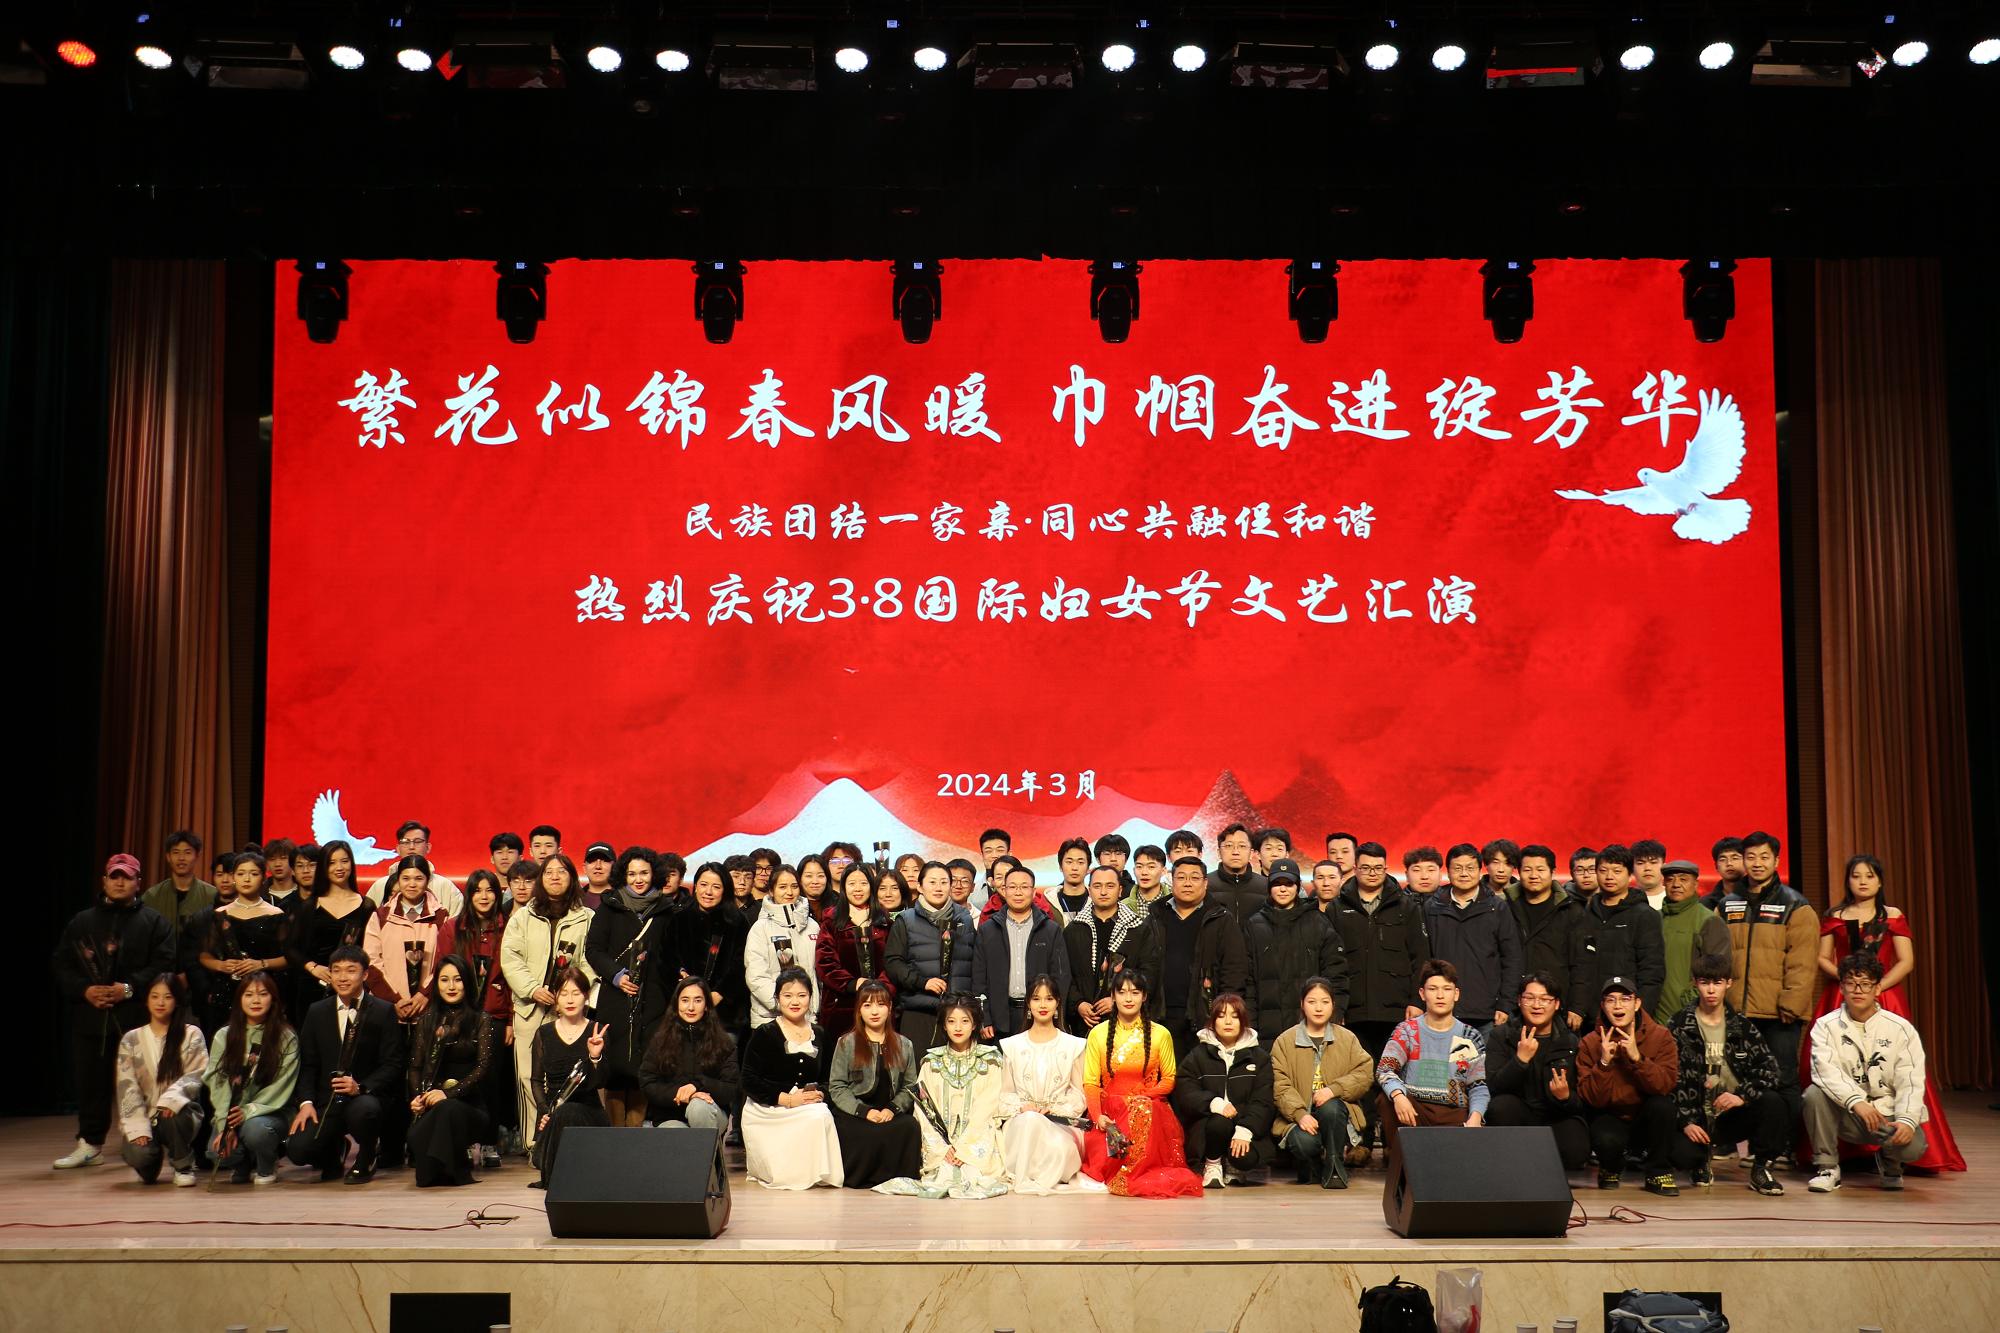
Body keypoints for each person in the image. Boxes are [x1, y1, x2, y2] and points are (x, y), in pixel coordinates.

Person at [1803, 854, 1963, 1171]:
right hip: (1841, 993)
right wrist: (1847, 980)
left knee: (1898, 1067)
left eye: (1869, 876)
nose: (1862, 881)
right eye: (1856, 875)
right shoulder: (1835, 915)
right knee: (1827, 1068)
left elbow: (1906, 960)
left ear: (1880, 881)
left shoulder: (1893, 915)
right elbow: (1822, 957)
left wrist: (1877, 987)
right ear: (1847, 880)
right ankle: (1831, 1154)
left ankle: (1896, 1146)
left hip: (1886, 995)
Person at [52, 852, 176, 1170]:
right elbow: (62, 965)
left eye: (127, 877)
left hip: (136, 1019)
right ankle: (90, 1144)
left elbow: (164, 964)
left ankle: (147, 1145)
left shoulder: (154, 922)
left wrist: (129, 988)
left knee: (143, 1083)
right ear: (104, 881)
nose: (120, 882)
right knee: (90, 1083)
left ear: (138, 882)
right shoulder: (82, 922)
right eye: (114, 876)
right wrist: (85, 990)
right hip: (90, 1018)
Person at [1330, 842, 1430, 1161]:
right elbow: (1331, 961)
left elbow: (1419, 957)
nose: (1372, 873)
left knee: (1395, 1075)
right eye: (1366, 867)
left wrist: (1416, 1000)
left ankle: (1392, 1144)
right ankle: (1359, 1141)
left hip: (1395, 1009)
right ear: (1355, 868)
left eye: (1378, 868)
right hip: (1354, 1010)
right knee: (1359, 1078)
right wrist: (1337, 1007)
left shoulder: (1405, 906)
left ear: (1386, 869)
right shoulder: (1338, 907)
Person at [1715, 830, 1817, 1140]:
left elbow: (1803, 961)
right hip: (1736, 1011)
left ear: (1777, 861)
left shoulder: (1796, 905)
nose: (1757, 863)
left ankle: (1787, 1146)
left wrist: (1792, 1004)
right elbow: (1717, 957)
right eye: (1751, 857)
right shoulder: (1727, 904)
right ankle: (1756, 1146)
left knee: (1782, 1080)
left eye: (1764, 857)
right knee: (1738, 1079)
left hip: (1778, 1013)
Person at [1805, 951, 1931, 1192]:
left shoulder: (1901, 1029)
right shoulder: (1825, 1026)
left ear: (1877, 988)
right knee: (1814, 1094)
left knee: (1914, 1147)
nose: (1858, 990)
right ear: (1841, 987)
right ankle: (1827, 1167)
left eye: (1865, 984)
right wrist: (1856, 1102)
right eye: (1851, 983)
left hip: (1886, 1114)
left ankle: (1890, 1163)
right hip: (1848, 1113)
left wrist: (1906, 1120)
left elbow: (1911, 1080)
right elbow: (1825, 1071)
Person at [499, 853, 595, 1158]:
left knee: (569, 1076)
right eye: (549, 872)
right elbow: (510, 957)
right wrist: (532, 989)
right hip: (530, 1008)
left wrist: (570, 994)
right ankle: (536, 1145)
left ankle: (568, 1143)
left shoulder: (586, 918)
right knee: (528, 1077)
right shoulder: (522, 917)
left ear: (572, 878)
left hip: (570, 1010)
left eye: (562, 872)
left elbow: (590, 961)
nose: (555, 877)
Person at [284, 945, 406, 1184]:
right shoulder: (317, 1011)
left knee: (365, 1111)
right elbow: (308, 1064)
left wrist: (361, 1087)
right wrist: (306, 1103)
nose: (342, 977)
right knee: (298, 1150)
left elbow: (393, 1063)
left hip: (365, 1097)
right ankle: (334, 1150)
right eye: (336, 970)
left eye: (351, 970)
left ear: (365, 974)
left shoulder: (383, 1011)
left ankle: (367, 1156)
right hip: (327, 1100)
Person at [1667, 956, 1787, 1195]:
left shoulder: (1742, 1026)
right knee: (1683, 1156)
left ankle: (1761, 1167)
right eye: (1705, 982)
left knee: (1773, 1102)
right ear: (1695, 983)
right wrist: (1685, 1121)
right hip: (1697, 1116)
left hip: (1732, 1114)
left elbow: (1771, 1070)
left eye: (1718, 982)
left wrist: (1742, 1096)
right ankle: (1700, 1161)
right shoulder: (1679, 1025)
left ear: (1729, 983)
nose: (1711, 990)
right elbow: (1669, 1078)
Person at [1077, 971, 1203, 1198]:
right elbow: (1091, 1083)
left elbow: (1169, 1079)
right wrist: (1098, 1117)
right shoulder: (1098, 1034)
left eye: (1135, 993)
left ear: (1144, 996)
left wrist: (1144, 1096)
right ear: (1113, 997)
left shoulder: (1160, 1034)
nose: (1128, 999)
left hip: (1147, 1106)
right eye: (1122, 992)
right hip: (1110, 1113)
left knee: (1143, 1109)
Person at [875, 993, 1009, 1199]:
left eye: (965, 1021)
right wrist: (943, 1148)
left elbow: (988, 1107)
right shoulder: (932, 1062)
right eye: (951, 1021)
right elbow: (924, 1109)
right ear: (944, 1025)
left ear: (974, 1024)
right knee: (943, 1173)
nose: (958, 1027)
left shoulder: (990, 1061)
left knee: (973, 1173)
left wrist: (964, 1148)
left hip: (977, 1138)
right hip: (941, 1144)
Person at [585, 846, 674, 1125]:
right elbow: (593, 950)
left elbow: (673, 954)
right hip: (616, 1000)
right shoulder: (609, 906)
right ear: (623, 876)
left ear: (654, 874)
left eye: (644, 873)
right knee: (615, 1070)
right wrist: (617, 976)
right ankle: (615, 1136)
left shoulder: (666, 910)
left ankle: (633, 1136)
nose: (638, 879)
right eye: (632, 873)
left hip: (654, 1002)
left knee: (642, 1071)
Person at [1376, 961, 1487, 1179]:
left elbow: (1478, 1086)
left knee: (1451, 1174)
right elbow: (1385, 1069)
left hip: (1452, 1113)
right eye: (1433, 989)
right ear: (1422, 993)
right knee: (1386, 1099)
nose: (1440, 995)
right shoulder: (1407, 1030)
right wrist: (1399, 1096)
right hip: (1415, 1111)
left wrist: (1475, 1118)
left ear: (1456, 994)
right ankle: (1402, 1170)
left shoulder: (1469, 1036)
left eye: (1447, 989)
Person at [738, 967, 842, 1190]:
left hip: (807, 1105)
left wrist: (819, 1094)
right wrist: (786, 1099)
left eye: (801, 995)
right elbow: (748, 1080)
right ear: (777, 998)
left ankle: (816, 1173)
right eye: (788, 995)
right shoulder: (764, 1033)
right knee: (816, 1116)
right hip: (767, 1110)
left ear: (810, 998)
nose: (795, 1001)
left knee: (820, 1113)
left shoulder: (820, 1034)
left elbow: (830, 1078)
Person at [1269, 976, 1375, 1188]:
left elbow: (1364, 1072)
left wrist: (1334, 1090)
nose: (1318, 1008)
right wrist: (1300, 1114)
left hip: (1337, 1115)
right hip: (1299, 1117)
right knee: (1303, 1143)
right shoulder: (1285, 1041)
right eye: (1312, 1002)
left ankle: (1335, 1164)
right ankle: (1313, 1165)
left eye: (1325, 1002)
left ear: (1333, 1005)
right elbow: (1280, 1085)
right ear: (1302, 1004)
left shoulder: (1347, 1038)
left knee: (1330, 1107)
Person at [1578, 976, 1680, 1194]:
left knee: (1664, 1107)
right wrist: (1604, 1063)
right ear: (1603, 1006)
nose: (1618, 1006)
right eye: (1611, 1000)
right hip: (1610, 1115)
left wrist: (1637, 1058)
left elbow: (1665, 1085)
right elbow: (1592, 1099)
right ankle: (1611, 1166)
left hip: (1646, 1116)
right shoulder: (1590, 1042)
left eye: (1625, 999)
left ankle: (1657, 1172)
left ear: (1637, 1003)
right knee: (1605, 1138)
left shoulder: (1660, 1036)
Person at [998, 976, 1100, 1194]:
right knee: (1030, 1121)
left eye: (1049, 998)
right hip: (1021, 1123)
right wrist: (1024, 1108)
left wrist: (1053, 1109)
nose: (1042, 1005)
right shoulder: (1012, 1046)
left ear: (1057, 1003)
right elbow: (1004, 1095)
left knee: (1058, 1147)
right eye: (1036, 999)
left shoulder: (1073, 1045)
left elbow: (1079, 1094)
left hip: (1059, 1123)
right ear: (1028, 1004)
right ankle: (1025, 1177)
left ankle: (1036, 1176)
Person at [404, 955, 497, 1187]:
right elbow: (415, 1066)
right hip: (434, 1105)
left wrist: (448, 1094)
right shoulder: (427, 1020)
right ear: (436, 984)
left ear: (467, 982)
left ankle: (455, 1170)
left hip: (470, 1106)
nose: (451, 986)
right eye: (444, 980)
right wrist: (418, 1097)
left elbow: (483, 1068)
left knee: (448, 1109)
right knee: (423, 1172)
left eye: (458, 979)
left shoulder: (481, 1019)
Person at [1484, 972, 1590, 1170]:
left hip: (1556, 1114)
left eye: (1545, 999)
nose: (1536, 1005)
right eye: (1529, 998)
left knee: (1576, 1152)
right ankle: (1517, 1163)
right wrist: (1520, 1061)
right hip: (1519, 1112)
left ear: (1556, 1004)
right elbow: (1493, 1087)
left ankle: (1535, 1161)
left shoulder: (1570, 1041)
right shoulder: (1502, 1035)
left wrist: (1566, 1097)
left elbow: (1581, 1101)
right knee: (1501, 1107)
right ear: (1519, 1001)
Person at [824, 979, 922, 1187]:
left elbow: (910, 1087)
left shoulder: (905, 1044)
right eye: (867, 1005)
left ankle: (898, 1179)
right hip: (855, 1111)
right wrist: (864, 1111)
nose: (874, 1011)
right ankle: (862, 1178)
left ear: (890, 1008)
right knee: (863, 1132)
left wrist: (892, 1109)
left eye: (880, 1004)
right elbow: (837, 1087)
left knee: (910, 1127)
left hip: (888, 1111)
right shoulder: (846, 1043)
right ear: (859, 1010)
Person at [1149, 856, 1250, 1059]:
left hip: (1205, 1016)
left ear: (1205, 883)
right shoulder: (1155, 915)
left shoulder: (1221, 918)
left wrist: (1222, 1012)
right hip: (1160, 1016)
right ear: (1171, 881)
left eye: (1194, 878)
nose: (1187, 883)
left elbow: (1235, 969)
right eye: (1181, 877)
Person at [203, 972, 299, 1185]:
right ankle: (242, 1165)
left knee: (255, 1130)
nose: (256, 1000)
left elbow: (282, 1085)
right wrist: (225, 1123)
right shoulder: (224, 1036)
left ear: (273, 999)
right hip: (233, 1111)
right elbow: (217, 1082)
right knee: (216, 1151)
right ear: (239, 1000)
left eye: (263, 994)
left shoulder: (286, 1037)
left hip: (271, 1111)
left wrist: (247, 1111)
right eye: (249, 995)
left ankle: (266, 1165)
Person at [1172, 992, 1275, 1188]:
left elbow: (1263, 1100)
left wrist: (1246, 1130)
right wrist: (1214, 1103)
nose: (1228, 1022)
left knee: (1244, 1157)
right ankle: (1212, 1164)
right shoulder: (1198, 1055)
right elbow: (1185, 1090)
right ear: (1213, 1022)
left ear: (1243, 1021)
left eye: (1234, 1016)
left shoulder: (1260, 1058)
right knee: (1219, 1122)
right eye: (1221, 1016)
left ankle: (1233, 1164)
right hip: (1209, 1126)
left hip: (1244, 1126)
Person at [113, 974, 208, 1186]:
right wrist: (138, 1126)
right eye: (155, 996)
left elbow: (196, 1074)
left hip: (179, 1112)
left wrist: (172, 1099)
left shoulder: (191, 1034)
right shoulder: (131, 1039)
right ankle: (151, 1159)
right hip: (146, 1114)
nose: (161, 1002)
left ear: (177, 1001)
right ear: (147, 1000)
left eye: (168, 997)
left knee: (173, 1114)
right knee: (140, 1156)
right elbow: (127, 1086)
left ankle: (183, 1165)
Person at [1243, 858, 1349, 1039]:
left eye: (1289, 883)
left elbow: (1336, 972)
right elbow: (1247, 981)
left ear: (1298, 886)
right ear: (1269, 887)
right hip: (1266, 1029)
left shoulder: (1318, 922)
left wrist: (1335, 1012)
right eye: (1277, 883)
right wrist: (1249, 1023)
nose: (1283, 889)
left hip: (1312, 1025)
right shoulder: (1254, 925)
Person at [1423, 844, 1521, 1034]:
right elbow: (1423, 957)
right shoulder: (1432, 908)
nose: (1464, 874)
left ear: (1479, 870)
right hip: (1441, 1009)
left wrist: (1505, 1004)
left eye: (1470, 868)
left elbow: (1512, 959)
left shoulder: (1497, 908)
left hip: (1486, 1012)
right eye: (1457, 868)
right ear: (1448, 871)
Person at [454, 869, 515, 1162]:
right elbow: (444, 969)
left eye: (489, 890)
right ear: (469, 894)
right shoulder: (453, 928)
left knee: (491, 1081)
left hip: (495, 1015)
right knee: (462, 1078)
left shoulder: (509, 928)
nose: (484, 896)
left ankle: (490, 1142)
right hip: (460, 1016)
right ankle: (466, 1141)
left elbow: (514, 976)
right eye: (477, 890)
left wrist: (511, 1020)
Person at [972, 862, 1071, 1041]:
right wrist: (984, 1017)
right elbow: (979, 979)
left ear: (1033, 892)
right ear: (1004, 890)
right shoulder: (988, 930)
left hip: (1040, 1016)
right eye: (1012, 887)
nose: (1018, 892)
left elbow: (1061, 977)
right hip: (999, 1019)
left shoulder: (1050, 929)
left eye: (1024, 887)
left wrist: (1055, 1015)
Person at [196, 851, 293, 1035]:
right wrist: (221, 965)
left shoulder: (276, 914)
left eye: (253, 873)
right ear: (234, 877)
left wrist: (261, 964)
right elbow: (204, 956)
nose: (246, 879)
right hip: (226, 990)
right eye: (241, 874)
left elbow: (288, 958)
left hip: (263, 990)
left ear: (263, 878)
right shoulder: (220, 914)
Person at [528, 970, 608, 1190]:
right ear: (555, 997)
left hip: (589, 1112)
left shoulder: (596, 1031)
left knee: (569, 1111)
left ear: (586, 996)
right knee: (563, 1113)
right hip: (554, 1114)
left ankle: (565, 1177)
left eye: (576, 993)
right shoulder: (543, 1033)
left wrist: (594, 1056)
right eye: (563, 993)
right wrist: (545, 1112)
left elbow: (600, 1082)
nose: (570, 1000)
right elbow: (536, 1080)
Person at [885, 861, 975, 1053]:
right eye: (932, 882)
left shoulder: (964, 918)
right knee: (919, 1068)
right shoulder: (906, 920)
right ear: (920, 887)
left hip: (957, 1013)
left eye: (944, 882)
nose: (938, 888)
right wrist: (922, 982)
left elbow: (972, 961)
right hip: (919, 1010)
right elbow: (893, 963)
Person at [363, 853, 456, 1038]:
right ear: (398, 880)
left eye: (418, 878)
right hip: (388, 1009)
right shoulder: (381, 916)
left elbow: (444, 961)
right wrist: (394, 1000)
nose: (412, 884)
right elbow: (371, 961)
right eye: (406, 878)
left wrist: (424, 994)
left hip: (428, 1009)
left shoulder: (441, 917)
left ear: (427, 881)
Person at [1064, 863, 1162, 1036]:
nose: (1103, 892)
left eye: (1110, 886)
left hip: (1129, 1022)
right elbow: (1064, 973)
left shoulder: (1138, 929)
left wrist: (1118, 999)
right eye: (1097, 886)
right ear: (1089, 890)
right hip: (1083, 1023)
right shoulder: (1073, 930)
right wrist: (1078, 1004)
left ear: (1120, 890)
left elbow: (1149, 973)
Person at [1575, 844, 1667, 1018]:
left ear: (1630, 874)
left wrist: (1641, 1015)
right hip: (1589, 1013)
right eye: (1603, 871)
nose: (1609, 877)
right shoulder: (1586, 913)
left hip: (1627, 1012)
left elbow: (1652, 971)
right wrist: (1577, 1007)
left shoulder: (1645, 915)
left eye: (1617, 871)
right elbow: (1579, 965)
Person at [639, 976, 740, 1134]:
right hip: (670, 1115)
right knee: (676, 1133)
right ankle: (705, 1151)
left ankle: (708, 1149)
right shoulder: (660, 1041)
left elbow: (731, 1088)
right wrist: (681, 1094)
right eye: (685, 1000)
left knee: (698, 1107)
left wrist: (697, 1086)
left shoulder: (723, 1043)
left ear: (706, 1005)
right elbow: (648, 1084)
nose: (691, 1007)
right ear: (677, 1004)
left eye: (698, 1000)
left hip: (710, 1112)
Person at [1508, 845, 1587, 1031]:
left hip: (1558, 1005)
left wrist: (1577, 1007)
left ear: (1553, 872)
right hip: (1513, 1005)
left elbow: (1582, 963)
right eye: (1527, 869)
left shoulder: (1571, 910)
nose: (1533, 875)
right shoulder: (1505, 907)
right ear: (1518, 872)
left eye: (1540, 869)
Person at [673, 862, 751, 1038]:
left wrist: (718, 994)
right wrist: (680, 972)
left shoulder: (737, 921)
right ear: (695, 886)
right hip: (684, 1010)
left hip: (724, 1015)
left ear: (725, 890)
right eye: (703, 884)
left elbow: (741, 964)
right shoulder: (679, 918)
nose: (708, 892)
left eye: (716, 887)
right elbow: (667, 956)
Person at [815, 862, 893, 1038]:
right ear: (843, 888)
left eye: (863, 883)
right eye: (852, 883)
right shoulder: (832, 921)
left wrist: (880, 987)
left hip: (879, 1002)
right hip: (842, 1004)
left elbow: (893, 961)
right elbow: (825, 962)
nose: (858, 889)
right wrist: (852, 983)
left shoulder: (884, 922)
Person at [293, 841, 373, 1002]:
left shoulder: (366, 906)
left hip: (352, 986)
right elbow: (291, 947)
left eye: (344, 861)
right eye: (332, 863)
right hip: (313, 986)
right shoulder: (310, 905)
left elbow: (371, 950)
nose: (339, 867)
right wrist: (313, 967)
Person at [745, 864, 822, 1029]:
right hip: (770, 1020)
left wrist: (810, 1006)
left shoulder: (813, 926)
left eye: (794, 886)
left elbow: (819, 974)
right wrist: (785, 1004)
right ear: (771, 891)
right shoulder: (760, 928)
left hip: (808, 1017)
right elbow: (756, 977)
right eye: (782, 887)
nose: (789, 892)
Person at [1655, 859, 1732, 1023]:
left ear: (1696, 884)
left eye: (1683, 879)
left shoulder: (1708, 920)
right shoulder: (1654, 919)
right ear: (1663, 883)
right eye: (1670, 879)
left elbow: (1718, 971)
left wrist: (1692, 1001)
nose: (1676, 884)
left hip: (1692, 1013)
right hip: (1655, 1011)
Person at [141, 830, 217, 981]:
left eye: (187, 852)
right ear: (168, 857)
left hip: (201, 978)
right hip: (158, 979)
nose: (181, 858)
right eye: (176, 852)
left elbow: (214, 943)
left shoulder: (212, 895)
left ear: (197, 855)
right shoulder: (152, 896)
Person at [366, 822, 462, 914]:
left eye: (418, 841)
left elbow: (456, 922)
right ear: (398, 848)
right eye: (405, 842)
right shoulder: (380, 885)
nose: (411, 847)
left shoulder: (446, 887)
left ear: (428, 847)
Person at [1205, 823, 1268, 923]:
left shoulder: (1266, 885)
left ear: (1251, 853)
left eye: (1242, 846)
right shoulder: (1204, 884)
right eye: (1229, 846)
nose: (1235, 852)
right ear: (1219, 852)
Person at [1050, 837, 1093, 922]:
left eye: (1080, 862)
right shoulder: (1048, 903)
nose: (1074, 868)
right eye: (1069, 862)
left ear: (1088, 867)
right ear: (1060, 866)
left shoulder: (1096, 901)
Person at [1123, 844, 1170, 914]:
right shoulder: (1122, 907)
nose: (1144, 872)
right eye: (1139, 867)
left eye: (1151, 867)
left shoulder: (1175, 905)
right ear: (1134, 870)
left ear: (1163, 871)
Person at [1704, 836, 1746, 908]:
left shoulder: (1759, 898)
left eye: (1735, 858)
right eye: (1722, 859)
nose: (1729, 863)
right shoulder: (1706, 903)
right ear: (1716, 866)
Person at [1631, 838, 1669, 912]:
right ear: (1631, 869)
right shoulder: (1624, 900)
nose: (1647, 868)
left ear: (1664, 867)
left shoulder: (1674, 897)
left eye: (1653, 862)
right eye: (1640, 863)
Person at [583, 843, 617, 911]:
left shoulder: (625, 899)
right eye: (592, 860)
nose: (598, 866)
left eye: (605, 860)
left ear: (615, 867)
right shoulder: (572, 900)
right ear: (584, 868)